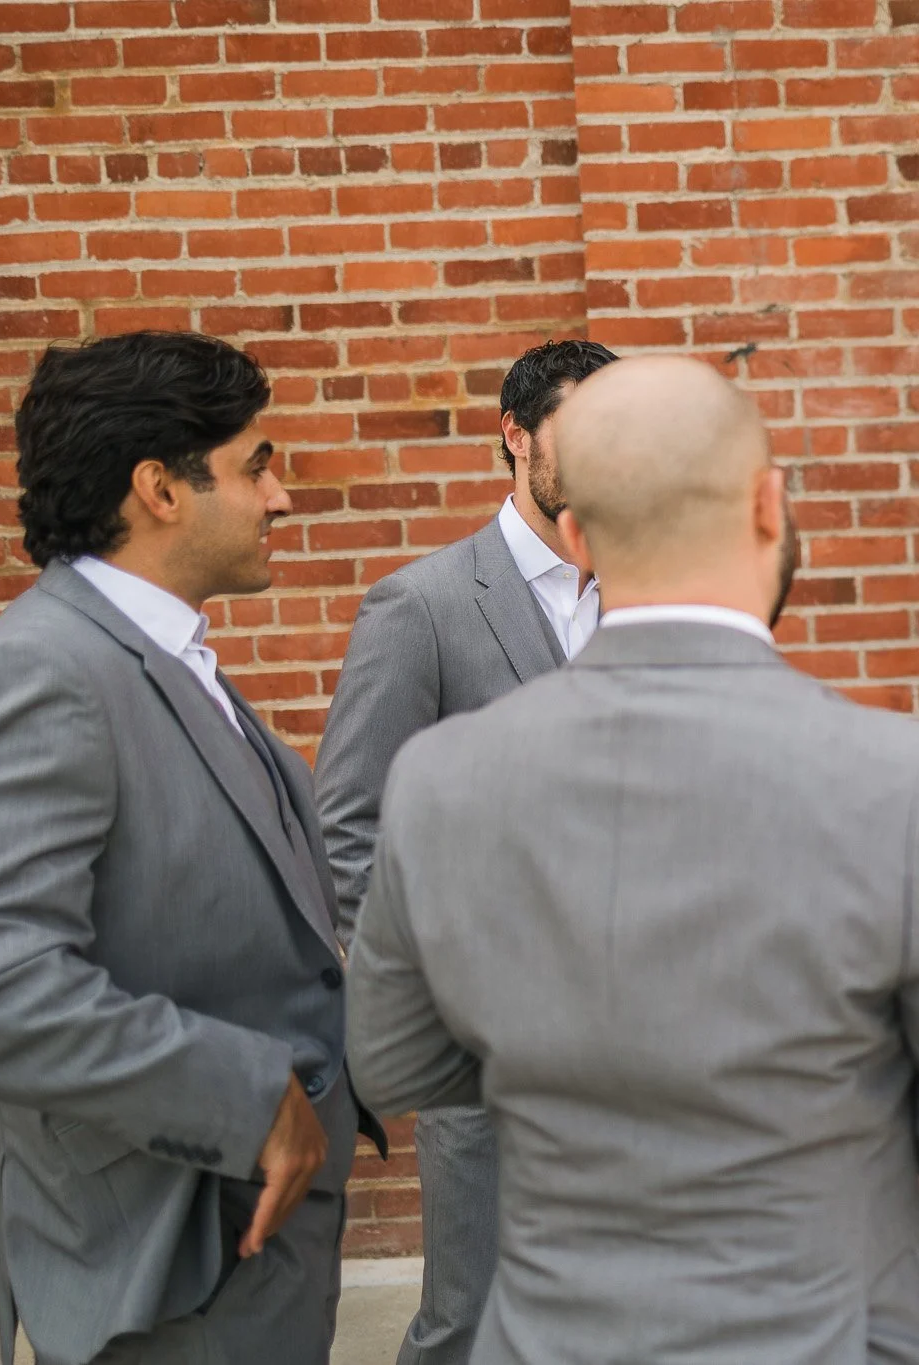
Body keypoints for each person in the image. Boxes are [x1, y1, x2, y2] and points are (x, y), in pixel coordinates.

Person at [344, 355, 919, 1363]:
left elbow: (390, 1060)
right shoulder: (893, 775)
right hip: (832, 1331)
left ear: (576, 534)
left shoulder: (441, 776)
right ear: (769, 505)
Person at [0, 331, 383, 1365]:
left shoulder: (163, 655)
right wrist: (248, 1095)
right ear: (158, 488)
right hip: (168, 1261)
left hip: (245, 1249)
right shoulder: (48, 673)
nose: (280, 498)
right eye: (257, 465)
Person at [314, 336, 615, 1365]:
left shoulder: (651, 592)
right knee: (470, 1317)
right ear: (515, 436)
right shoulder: (425, 605)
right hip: (485, 1036)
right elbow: (350, 817)